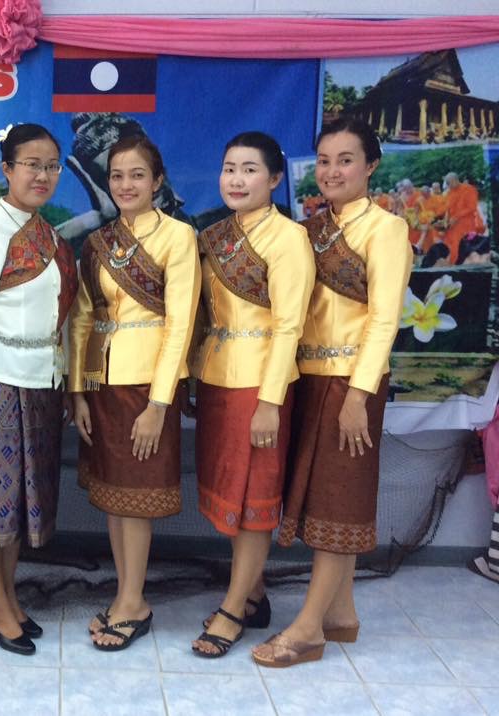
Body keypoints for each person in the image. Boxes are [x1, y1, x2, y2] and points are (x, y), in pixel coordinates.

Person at [252, 117, 412, 668]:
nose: (332, 171)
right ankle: (341, 612)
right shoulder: (311, 229)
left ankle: (308, 630)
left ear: (371, 166)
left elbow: (384, 320)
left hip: (351, 381)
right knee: (323, 499)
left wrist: (358, 396)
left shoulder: (386, 229)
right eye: (324, 161)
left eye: (346, 160)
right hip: (311, 377)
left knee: (340, 499)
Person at [68, 134, 200, 651]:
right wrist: (78, 391)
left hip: (147, 387)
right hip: (103, 384)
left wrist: (159, 403)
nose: (126, 185)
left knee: (137, 499)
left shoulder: (177, 237)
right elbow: (83, 316)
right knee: (114, 497)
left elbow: (180, 324)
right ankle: (128, 596)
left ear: (157, 180)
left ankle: (131, 600)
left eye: (137, 175)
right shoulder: (98, 242)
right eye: (117, 176)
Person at [0, 123, 78, 656]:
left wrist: (64, 381)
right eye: (31, 165)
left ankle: (3, 596)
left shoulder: (50, 236)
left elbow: (61, 318)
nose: (42, 175)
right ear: (6, 169)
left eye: (51, 166)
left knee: (19, 502)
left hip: (41, 383)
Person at [191, 132, 314, 657]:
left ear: (275, 179)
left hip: (261, 384)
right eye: (229, 168)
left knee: (254, 496)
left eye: (249, 170)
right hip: (217, 376)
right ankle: (254, 592)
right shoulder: (214, 236)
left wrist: (269, 401)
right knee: (229, 493)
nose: (236, 180)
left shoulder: (289, 238)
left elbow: (289, 326)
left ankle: (233, 608)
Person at [443, 172, 485, 264]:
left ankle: (463, 266)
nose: (448, 186)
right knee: (449, 247)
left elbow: (472, 207)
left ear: (455, 180)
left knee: (463, 247)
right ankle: (453, 266)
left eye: (449, 183)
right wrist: (446, 220)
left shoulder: (469, 189)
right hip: (452, 227)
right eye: (447, 183)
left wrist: (456, 217)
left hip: (466, 225)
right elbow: (448, 209)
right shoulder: (450, 192)